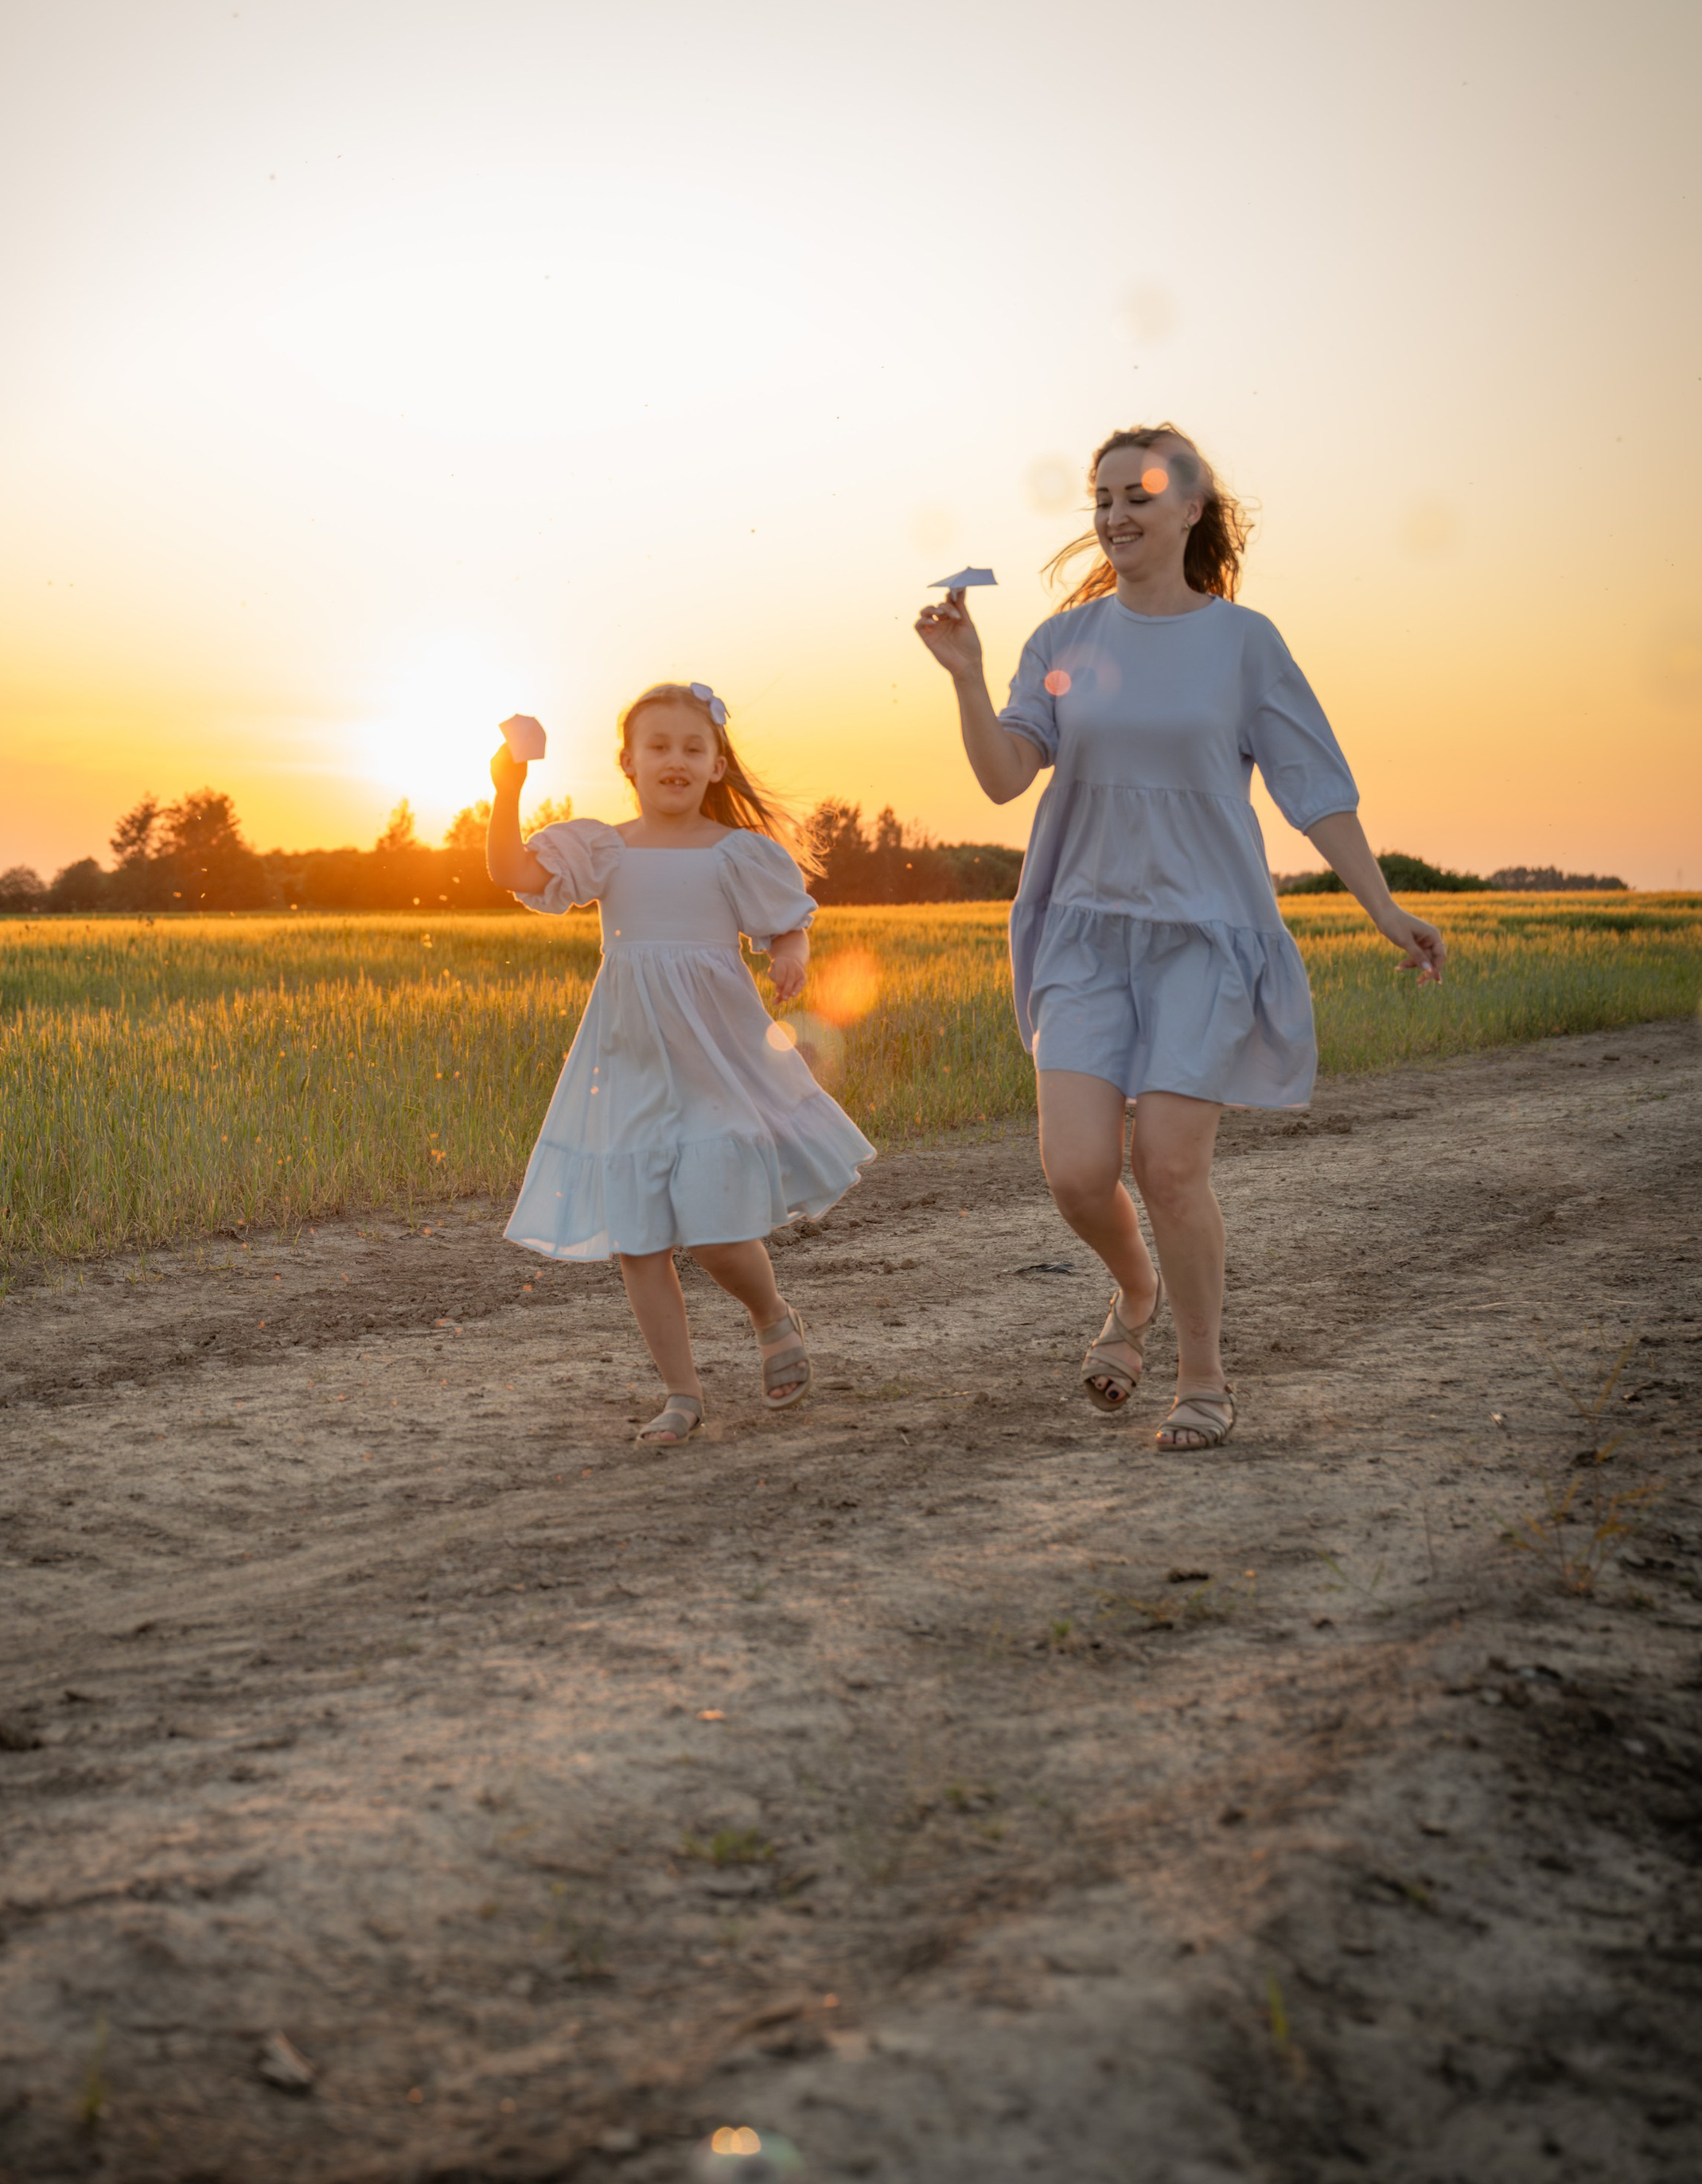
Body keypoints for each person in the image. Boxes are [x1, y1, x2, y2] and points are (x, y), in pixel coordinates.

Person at [914, 423, 1444, 1453]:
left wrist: (1382, 906)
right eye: (1101, 497)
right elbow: (1001, 776)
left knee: (1166, 1164)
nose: (1115, 514)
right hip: (1082, 932)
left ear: (1193, 506)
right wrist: (967, 677)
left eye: (1139, 494)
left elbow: (1315, 791)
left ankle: (1201, 1377)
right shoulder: (1062, 646)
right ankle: (1135, 1289)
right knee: (1074, 1170)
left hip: (1202, 936)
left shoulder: (1244, 643)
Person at [489, 681, 874, 1444]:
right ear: (628, 761)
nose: (676, 759)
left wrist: (791, 953)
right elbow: (512, 873)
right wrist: (508, 788)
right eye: (659, 746)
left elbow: (786, 920)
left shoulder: (735, 854)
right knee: (638, 1240)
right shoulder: (605, 849)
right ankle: (682, 1395)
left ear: (717, 765)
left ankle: (770, 1316)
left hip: (715, 1062)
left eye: (693, 747)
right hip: (627, 1064)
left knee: (715, 1230)